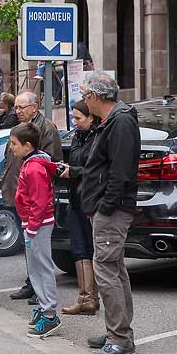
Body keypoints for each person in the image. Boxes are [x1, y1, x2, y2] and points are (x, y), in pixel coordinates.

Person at [79, 71, 141, 354]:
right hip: (109, 208)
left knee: (106, 270)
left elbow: (121, 172)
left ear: (94, 96)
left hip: (112, 210)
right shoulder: (116, 120)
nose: (83, 101)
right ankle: (118, 330)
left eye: (84, 95)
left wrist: (106, 206)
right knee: (114, 269)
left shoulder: (121, 121)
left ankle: (120, 338)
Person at [3, 91, 63, 304]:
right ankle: (32, 285)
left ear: (34, 108)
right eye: (16, 107)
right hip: (21, 194)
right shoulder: (17, 130)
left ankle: (42, 297)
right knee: (30, 250)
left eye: (21, 107)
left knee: (39, 254)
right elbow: (10, 158)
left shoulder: (46, 128)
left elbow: (52, 161)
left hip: (35, 201)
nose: (17, 111)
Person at [12, 122, 62, 338]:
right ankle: (44, 307)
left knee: (42, 268)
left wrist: (32, 228)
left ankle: (50, 314)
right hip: (33, 223)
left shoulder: (33, 168)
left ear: (27, 145)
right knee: (35, 269)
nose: (12, 148)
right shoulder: (30, 164)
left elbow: (40, 201)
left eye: (14, 144)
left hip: (38, 225)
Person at [60, 100, 101, 316]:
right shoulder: (78, 136)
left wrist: (73, 171)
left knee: (91, 248)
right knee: (78, 247)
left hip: (91, 199)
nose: (74, 122)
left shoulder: (98, 136)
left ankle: (92, 296)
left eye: (78, 118)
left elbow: (95, 169)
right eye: (73, 117)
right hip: (76, 197)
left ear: (91, 117)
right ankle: (86, 297)